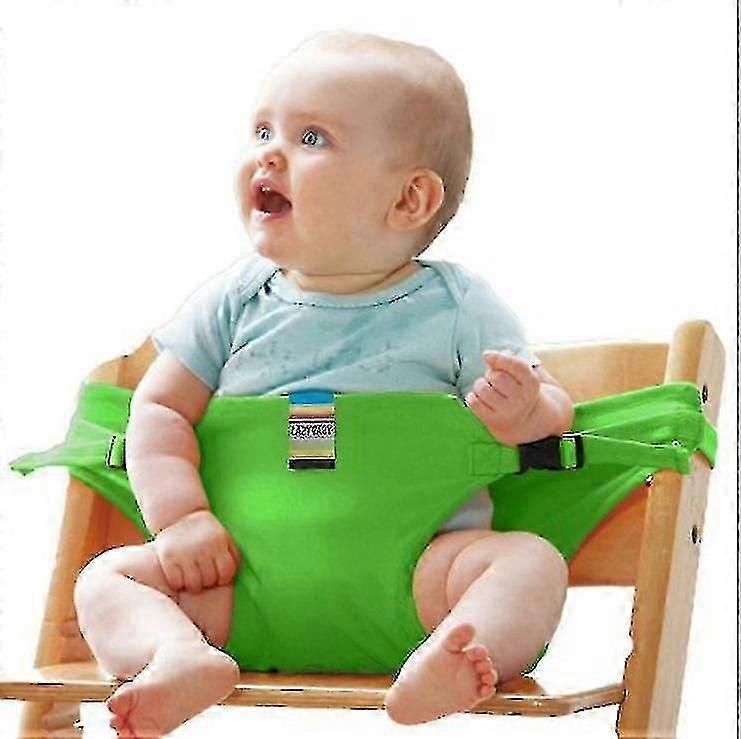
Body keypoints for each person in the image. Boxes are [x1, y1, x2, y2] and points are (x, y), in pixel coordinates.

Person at [73, 30, 574, 736]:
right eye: (263, 131)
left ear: (409, 199)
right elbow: (158, 408)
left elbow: (552, 410)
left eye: (311, 137)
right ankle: (178, 654)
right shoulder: (233, 302)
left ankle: (455, 658)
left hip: (414, 585)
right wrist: (181, 519)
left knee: (530, 562)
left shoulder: (458, 308)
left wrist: (522, 411)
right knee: (107, 579)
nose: (269, 154)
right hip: (234, 587)